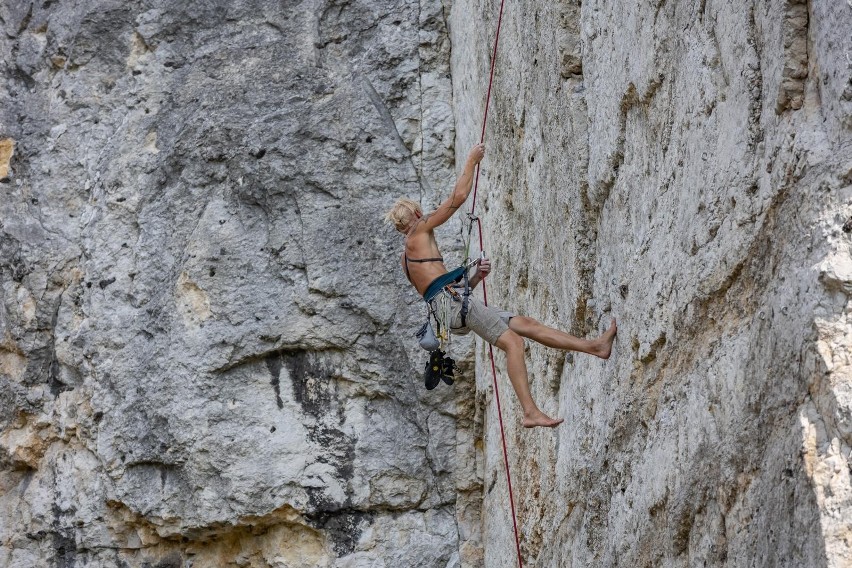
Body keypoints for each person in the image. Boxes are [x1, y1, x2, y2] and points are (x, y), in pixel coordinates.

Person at [385, 143, 617, 428]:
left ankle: (594, 346)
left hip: (450, 310)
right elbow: (457, 198)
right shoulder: (421, 229)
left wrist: (474, 280)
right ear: (417, 215)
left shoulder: (405, 260)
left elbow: (434, 290)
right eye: (420, 213)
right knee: (513, 342)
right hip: (454, 307)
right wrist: (471, 160)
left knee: (525, 325)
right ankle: (530, 412)